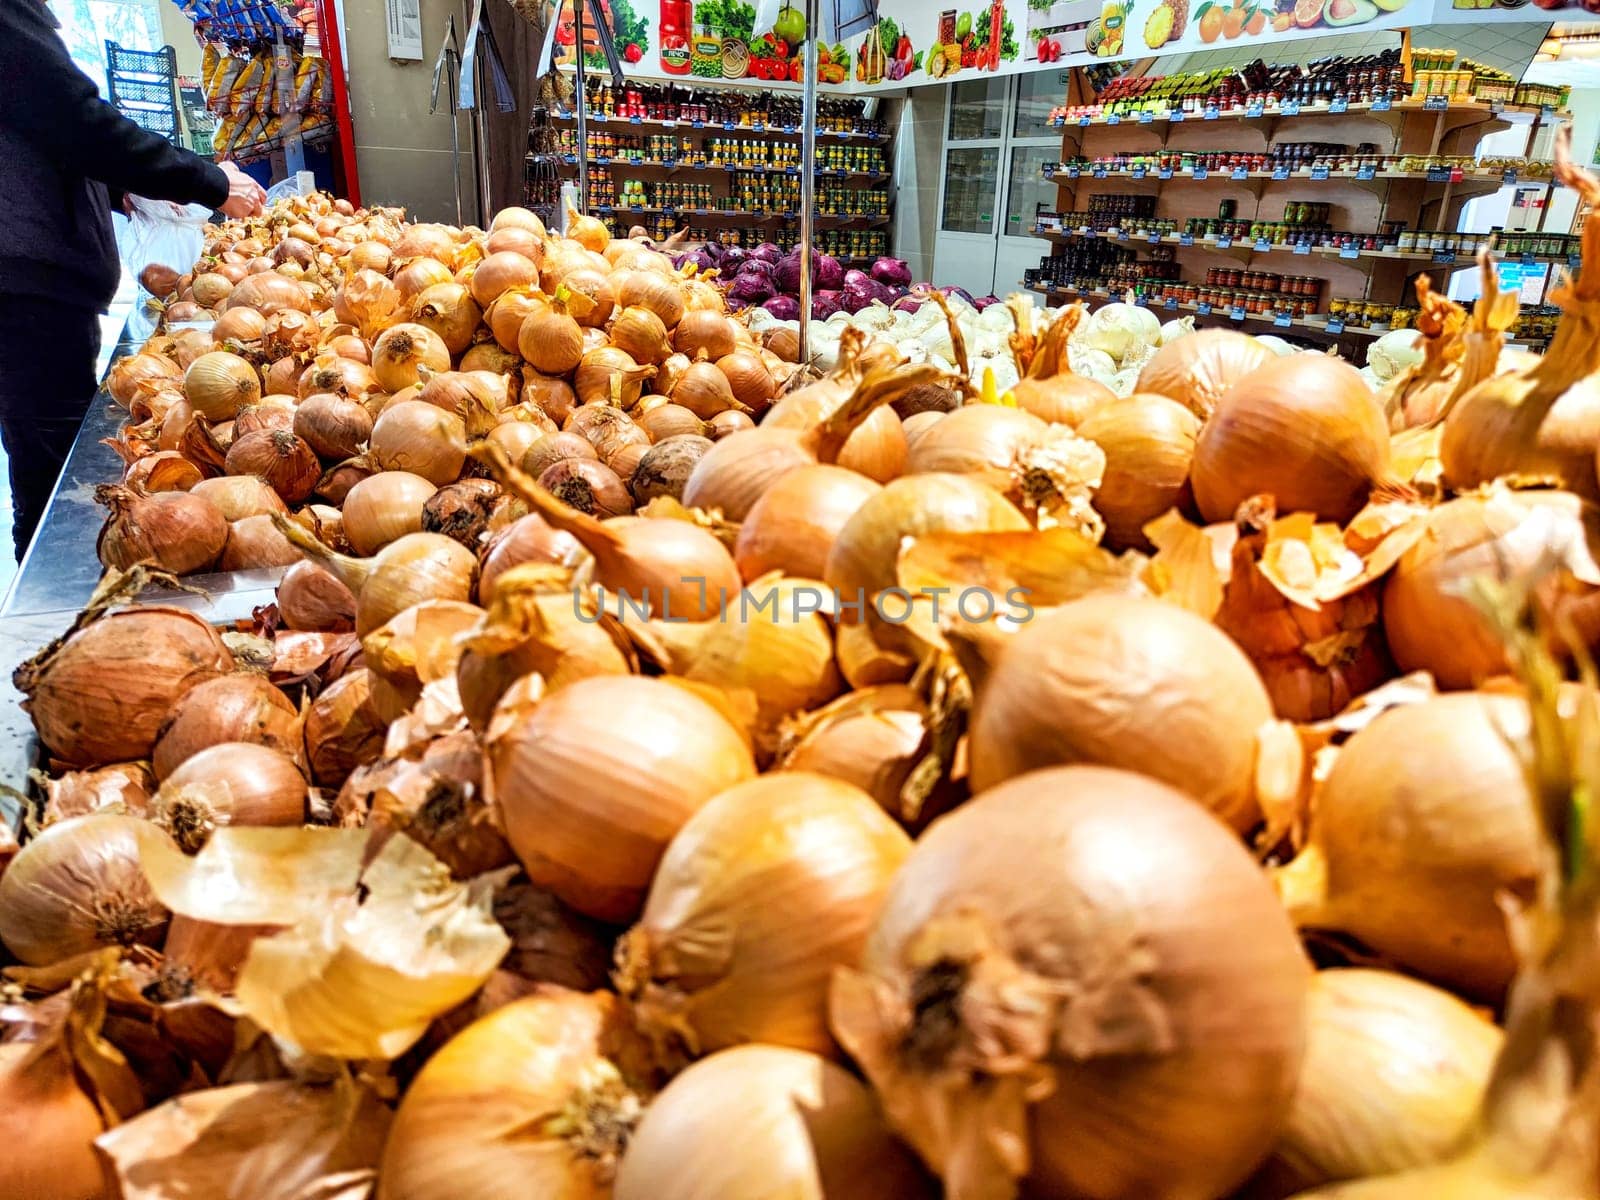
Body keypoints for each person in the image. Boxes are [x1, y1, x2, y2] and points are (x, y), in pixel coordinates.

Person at [0, 0, 267, 562]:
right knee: (53, 479)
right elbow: (78, 122)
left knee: (47, 450)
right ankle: (56, 616)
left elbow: (48, 133)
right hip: (26, 281)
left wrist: (119, 192)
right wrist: (209, 181)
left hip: (32, 275)